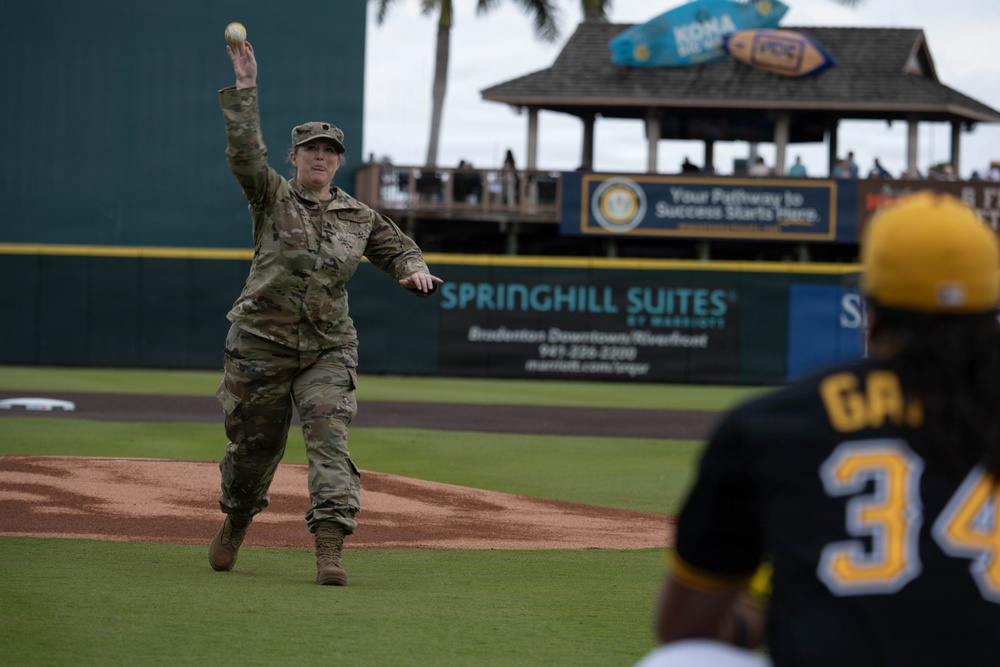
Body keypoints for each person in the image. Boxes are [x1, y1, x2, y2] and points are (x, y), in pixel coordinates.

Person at [638, 191, 1000, 666]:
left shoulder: (776, 422)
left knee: (679, 661)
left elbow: (684, 629)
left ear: (871, 315)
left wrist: (768, 617)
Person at [209, 40, 443, 586]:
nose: (321, 156)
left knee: (329, 439)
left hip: (327, 347)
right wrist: (246, 88)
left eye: (330, 151)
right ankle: (237, 520)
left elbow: (400, 249)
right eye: (311, 149)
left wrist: (414, 270)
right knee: (253, 451)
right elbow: (245, 155)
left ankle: (330, 547)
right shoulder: (271, 197)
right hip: (260, 344)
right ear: (293, 158)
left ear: (340, 160)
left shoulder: (359, 216)